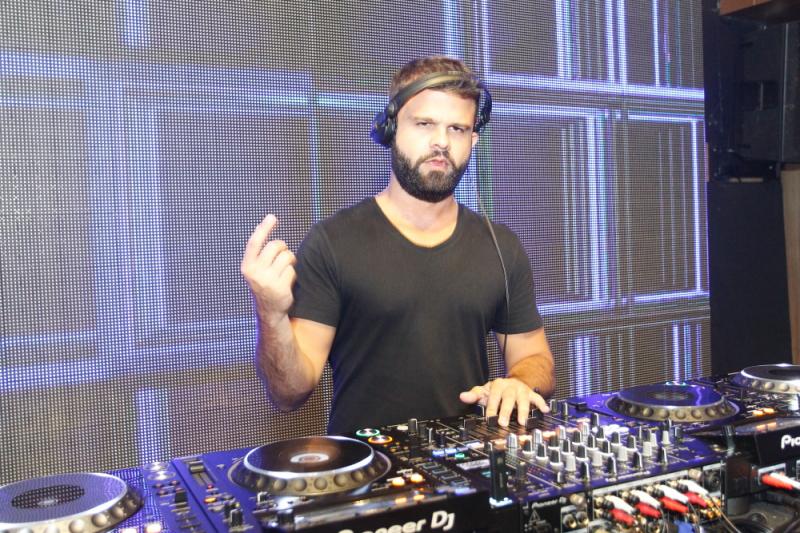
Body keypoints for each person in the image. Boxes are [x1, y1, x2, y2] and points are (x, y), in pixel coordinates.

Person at [241, 56, 555, 435]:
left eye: (457, 129)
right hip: (364, 467)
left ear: (473, 140)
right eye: (424, 124)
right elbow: (288, 393)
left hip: (468, 461)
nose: (441, 142)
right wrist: (271, 315)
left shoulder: (501, 247)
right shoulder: (333, 243)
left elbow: (536, 357)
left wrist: (520, 381)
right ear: (389, 129)